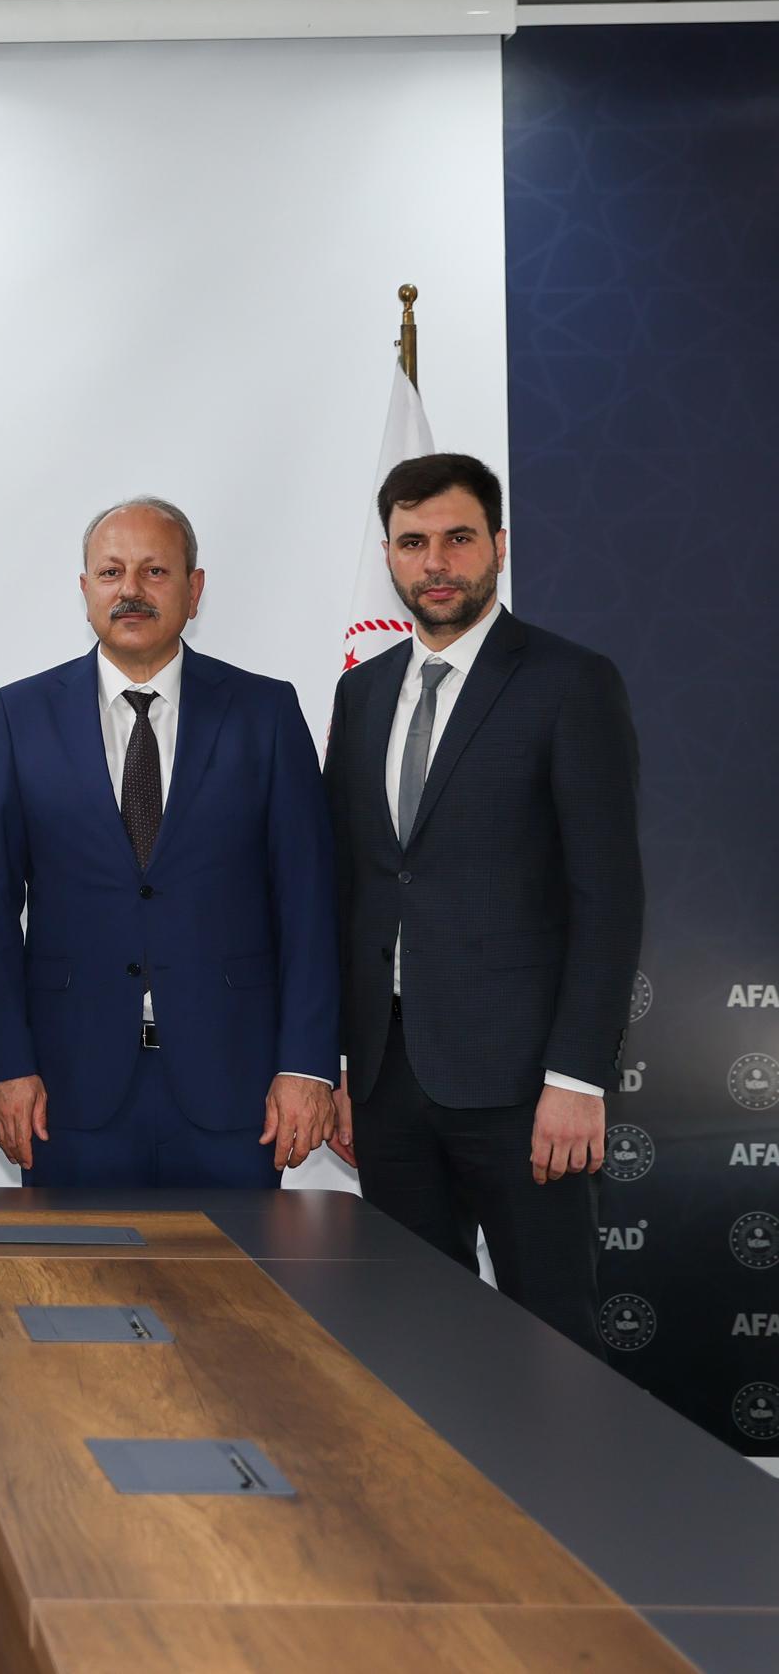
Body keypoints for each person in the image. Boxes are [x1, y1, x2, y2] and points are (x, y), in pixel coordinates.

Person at [323, 453, 641, 1350]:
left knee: (552, 1343)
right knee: (414, 1341)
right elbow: (354, 886)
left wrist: (576, 1079)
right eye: (412, 543)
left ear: (498, 545)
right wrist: (340, 1060)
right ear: (389, 555)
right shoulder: (361, 692)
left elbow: (608, 896)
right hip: (385, 1081)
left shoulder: (570, 682)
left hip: (525, 1090)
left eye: (458, 538)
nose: (435, 563)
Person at [0, 500, 337, 1188]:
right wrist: (5, 1065)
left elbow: (308, 901)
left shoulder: (266, 712)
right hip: (65, 1091)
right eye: (111, 572)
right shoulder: (19, 715)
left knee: (239, 1265)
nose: (130, 589)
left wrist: (307, 1065)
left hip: (238, 1087)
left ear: (195, 589)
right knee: (72, 1265)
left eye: (154, 571)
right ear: (85, 591)